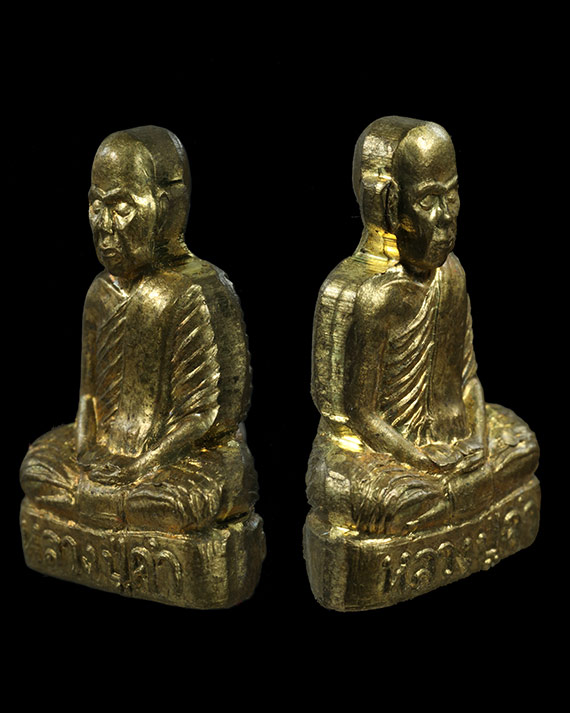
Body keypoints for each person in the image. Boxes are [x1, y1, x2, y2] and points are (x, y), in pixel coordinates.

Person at [306, 116, 539, 537]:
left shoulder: (453, 276)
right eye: (429, 199)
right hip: (394, 460)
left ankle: (454, 492)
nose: (445, 216)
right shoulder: (364, 294)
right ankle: (447, 496)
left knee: (522, 445)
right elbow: (356, 417)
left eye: (452, 195)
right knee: (359, 494)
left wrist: (477, 440)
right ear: (389, 205)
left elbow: (467, 380)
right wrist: (422, 461)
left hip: (457, 444)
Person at [20, 126, 257, 533]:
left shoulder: (197, 290)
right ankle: (112, 503)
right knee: (37, 468)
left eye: (121, 207)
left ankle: (118, 504)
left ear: (165, 208)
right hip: (107, 454)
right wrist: (85, 454)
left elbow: (209, 417)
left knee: (181, 500)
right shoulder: (100, 293)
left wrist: (141, 465)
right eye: (96, 205)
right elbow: (88, 399)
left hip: (173, 460)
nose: (104, 224)